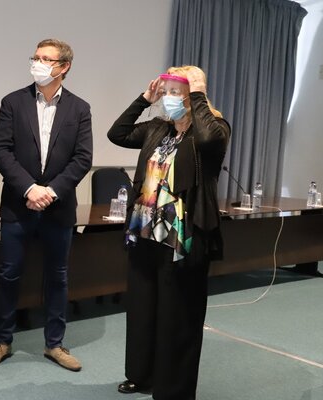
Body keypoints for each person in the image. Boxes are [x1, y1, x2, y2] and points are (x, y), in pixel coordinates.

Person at [107, 66, 230, 399]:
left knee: (178, 314)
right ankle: (141, 375)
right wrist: (144, 99)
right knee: (143, 308)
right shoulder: (158, 128)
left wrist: (199, 93)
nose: (170, 98)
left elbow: (207, 140)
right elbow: (117, 134)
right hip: (145, 230)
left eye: (177, 92)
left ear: (192, 96)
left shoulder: (215, 128)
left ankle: (173, 388)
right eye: (167, 92)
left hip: (183, 237)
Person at [0, 39, 92, 371]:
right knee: (9, 273)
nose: (38, 64)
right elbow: (1, 151)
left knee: (57, 276)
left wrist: (51, 191)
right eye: (36, 57)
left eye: (46, 59)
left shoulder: (79, 108)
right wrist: (30, 189)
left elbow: (82, 158)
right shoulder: (13, 102)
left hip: (58, 207)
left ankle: (55, 344)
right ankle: (2, 340)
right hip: (18, 205)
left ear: (64, 67)